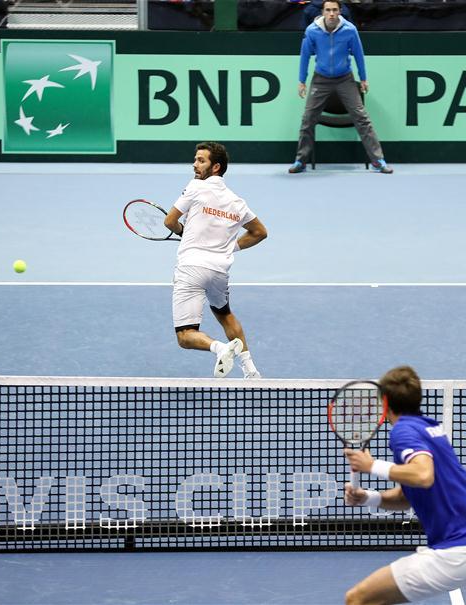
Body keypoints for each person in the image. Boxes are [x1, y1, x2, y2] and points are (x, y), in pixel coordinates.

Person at [343, 366, 466, 605]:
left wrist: (371, 465)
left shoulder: (402, 432)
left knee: (357, 599)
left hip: (457, 554)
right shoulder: (428, 428)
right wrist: (368, 497)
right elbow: (408, 496)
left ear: (384, 404)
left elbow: (423, 475)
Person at [164, 142, 268, 379]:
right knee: (225, 315)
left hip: (191, 268)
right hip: (219, 272)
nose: (195, 164)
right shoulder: (236, 202)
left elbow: (170, 222)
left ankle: (220, 348)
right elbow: (260, 232)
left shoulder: (195, 187)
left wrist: (183, 232)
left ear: (216, 167)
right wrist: (232, 246)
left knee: (185, 335)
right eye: (195, 159)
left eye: (201, 160)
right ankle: (251, 371)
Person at [288, 0, 393, 175]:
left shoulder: (350, 30)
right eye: (328, 10)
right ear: (322, 12)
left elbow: (358, 53)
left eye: (334, 10)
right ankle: (301, 161)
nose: (331, 14)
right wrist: (302, 81)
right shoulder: (312, 31)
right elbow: (305, 55)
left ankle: (378, 161)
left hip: (345, 79)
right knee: (308, 119)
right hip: (320, 79)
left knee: (362, 118)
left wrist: (364, 78)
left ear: (340, 11)